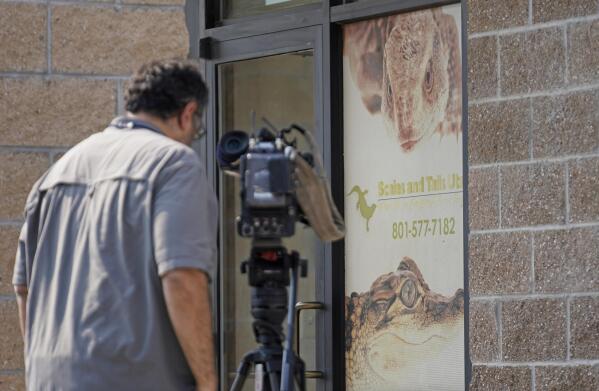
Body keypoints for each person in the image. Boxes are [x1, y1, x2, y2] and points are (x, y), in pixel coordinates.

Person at [12, 59, 218, 391]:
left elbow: (24, 287)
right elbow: (181, 276)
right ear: (187, 113)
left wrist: (38, 365)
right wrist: (208, 381)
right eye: (197, 129)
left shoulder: (59, 170)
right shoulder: (174, 164)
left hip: (51, 379)